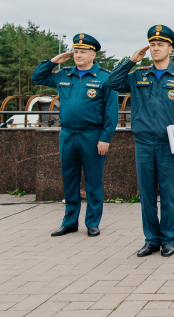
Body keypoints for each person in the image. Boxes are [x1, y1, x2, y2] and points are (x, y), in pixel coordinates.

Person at [107, 25, 174, 257]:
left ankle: (168, 239)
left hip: (170, 144)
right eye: (153, 45)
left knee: (168, 194)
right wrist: (131, 61)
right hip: (144, 143)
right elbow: (111, 83)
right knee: (147, 194)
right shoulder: (139, 74)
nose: (156, 48)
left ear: (170, 48)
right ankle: (151, 240)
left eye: (161, 45)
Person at [32, 33, 118, 237]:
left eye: (83, 51)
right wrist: (53, 61)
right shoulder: (65, 74)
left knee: (93, 180)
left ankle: (92, 222)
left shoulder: (105, 78)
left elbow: (111, 112)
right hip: (68, 134)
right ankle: (70, 222)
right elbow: (37, 77)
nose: (78, 55)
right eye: (76, 51)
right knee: (69, 178)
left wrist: (105, 137)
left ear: (93, 54)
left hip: (92, 134)